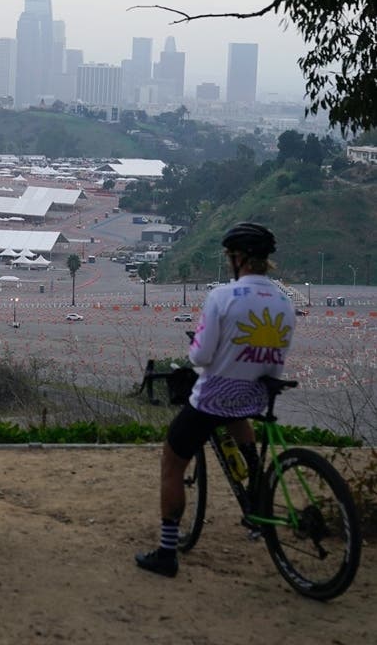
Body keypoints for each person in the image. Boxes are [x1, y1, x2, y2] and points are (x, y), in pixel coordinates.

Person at [136, 222, 295, 577]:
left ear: (239, 258)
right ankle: (256, 497)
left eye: (229, 257)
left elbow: (201, 357)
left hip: (216, 395)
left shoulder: (222, 297)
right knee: (241, 422)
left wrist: (200, 347)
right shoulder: (285, 300)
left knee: (172, 463)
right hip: (257, 394)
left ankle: (166, 551)